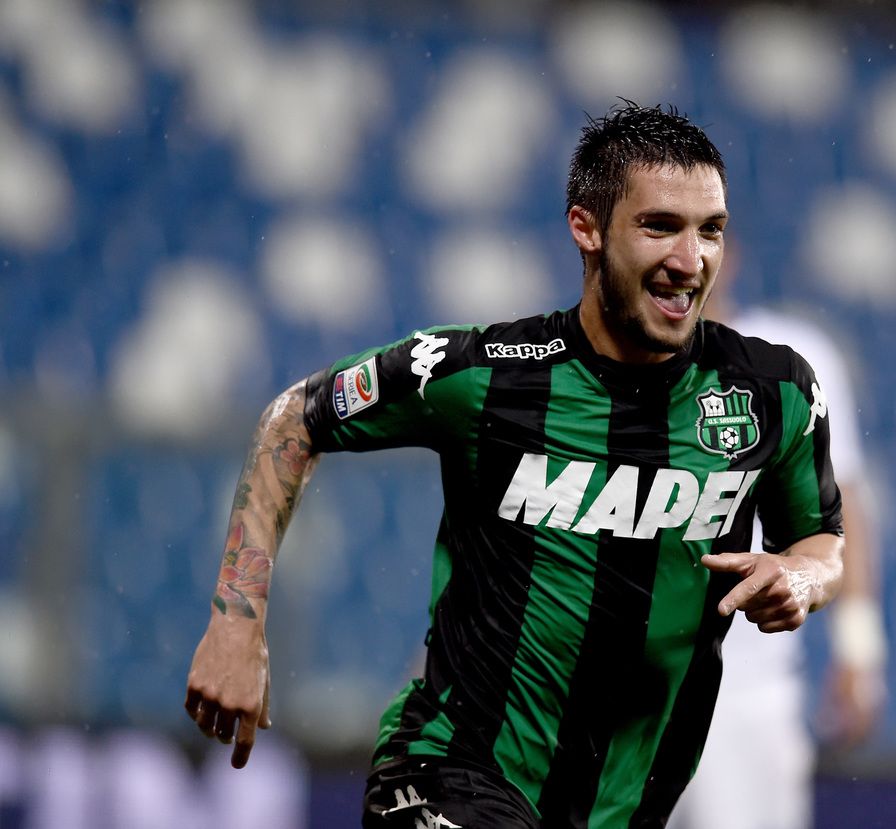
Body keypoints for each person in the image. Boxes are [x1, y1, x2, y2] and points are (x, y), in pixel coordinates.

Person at [184, 103, 845, 829]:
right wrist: (236, 624)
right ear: (586, 229)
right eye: (660, 226)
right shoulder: (485, 375)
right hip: (452, 768)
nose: (691, 262)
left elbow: (820, 541)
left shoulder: (773, 391)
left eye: (710, 230)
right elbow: (294, 418)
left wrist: (803, 578)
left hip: (620, 806)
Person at [668, 274, 888, 829]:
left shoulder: (792, 358)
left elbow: (843, 507)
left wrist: (859, 647)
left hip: (746, 688)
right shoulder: (601, 363)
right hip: (616, 688)